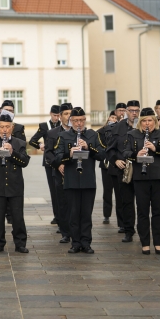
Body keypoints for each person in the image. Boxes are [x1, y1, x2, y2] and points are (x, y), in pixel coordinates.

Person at [54, 107, 105, 254]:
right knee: (73, 213)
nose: (79, 123)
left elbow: (102, 154)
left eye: (82, 120)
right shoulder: (63, 136)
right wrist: (69, 153)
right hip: (71, 181)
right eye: (76, 120)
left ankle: (86, 242)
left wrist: (89, 147)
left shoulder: (92, 135)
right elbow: (57, 157)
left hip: (88, 180)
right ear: (71, 121)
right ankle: (75, 243)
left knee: (86, 214)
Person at [0, 112, 30, 253]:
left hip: (15, 185)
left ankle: (20, 243)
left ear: (12, 127)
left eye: (7, 127)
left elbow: (25, 162)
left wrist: (12, 152)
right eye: (2, 127)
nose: (4, 130)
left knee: (17, 216)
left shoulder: (19, 143)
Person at [126, 108, 160, 255]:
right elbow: (125, 152)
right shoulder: (132, 134)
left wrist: (156, 148)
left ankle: (158, 243)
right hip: (141, 176)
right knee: (143, 211)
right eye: (144, 120)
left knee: (158, 211)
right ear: (140, 122)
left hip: (158, 176)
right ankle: (145, 243)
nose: (147, 123)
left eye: (150, 120)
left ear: (155, 121)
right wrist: (135, 154)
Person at [105, 100, 140, 242]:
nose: (134, 113)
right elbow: (110, 149)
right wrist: (115, 160)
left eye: (136, 110)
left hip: (141, 169)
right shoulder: (117, 128)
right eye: (131, 110)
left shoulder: (144, 126)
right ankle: (128, 231)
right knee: (126, 201)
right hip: (124, 169)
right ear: (126, 111)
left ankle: (143, 230)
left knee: (142, 202)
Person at [28, 105, 63, 226]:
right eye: (55, 115)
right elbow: (32, 141)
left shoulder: (63, 125)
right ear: (50, 114)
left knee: (62, 189)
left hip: (61, 159)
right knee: (54, 190)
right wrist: (40, 146)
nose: (56, 118)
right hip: (49, 162)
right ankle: (57, 216)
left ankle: (63, 216)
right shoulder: (44, 126)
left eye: (58, 115)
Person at [44, 103, 74, 243]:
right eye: (66, 114)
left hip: (75, 172)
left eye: (70, 113)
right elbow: (48, 153)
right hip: (59, 173)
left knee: (75, 203)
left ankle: (76, 231)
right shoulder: (52, 133)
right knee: (61, 203)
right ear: (60, 116)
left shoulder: (78, 132)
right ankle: (65, 232)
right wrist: (58, 165)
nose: (68, 116)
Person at [98, 103, 126, 226]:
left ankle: (122, 220)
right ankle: (106, 214)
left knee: (121, 193)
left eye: (123, 111)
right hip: (106, 163)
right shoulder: (102, 130)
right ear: (109, 118)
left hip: (120, 163)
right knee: (107, 191)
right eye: (113, 117)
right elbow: (101, 144)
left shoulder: (125, 127)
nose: (115, 118)